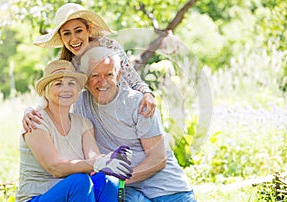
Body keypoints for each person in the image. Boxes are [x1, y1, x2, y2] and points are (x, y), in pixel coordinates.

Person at [74, 46, 197, 202]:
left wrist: (116, 181)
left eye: (109, 74)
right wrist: (33, 112)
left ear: (118, 76)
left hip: (168, 191)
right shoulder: (80, 104)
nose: (102, 81)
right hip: (128, 193)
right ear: (85, 78)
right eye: (95, 75)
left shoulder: (137, 103)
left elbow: (158, 158)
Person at [16, 60, 133, 202]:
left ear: (77, 90)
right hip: (37, 197)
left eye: (71, 83)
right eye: (58, 84)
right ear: (46, 91)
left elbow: (93, 159)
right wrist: (98, 163)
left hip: (75, 195)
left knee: (108, 180)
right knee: (80, 182)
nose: (66, 89)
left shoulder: (83, 124)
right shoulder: (35, 122)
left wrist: (111, 159)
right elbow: (55, 168)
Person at [26, 3, 155, 127]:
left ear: (88, 30)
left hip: (125, 109)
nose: (74, 38)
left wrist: (147, 94)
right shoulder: (67, 62)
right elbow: (51, 94)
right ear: (61, 37)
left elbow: (133, 78)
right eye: (67, 33)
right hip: (96, 120)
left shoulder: (109, 46)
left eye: (78, 31)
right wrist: (31, 111)